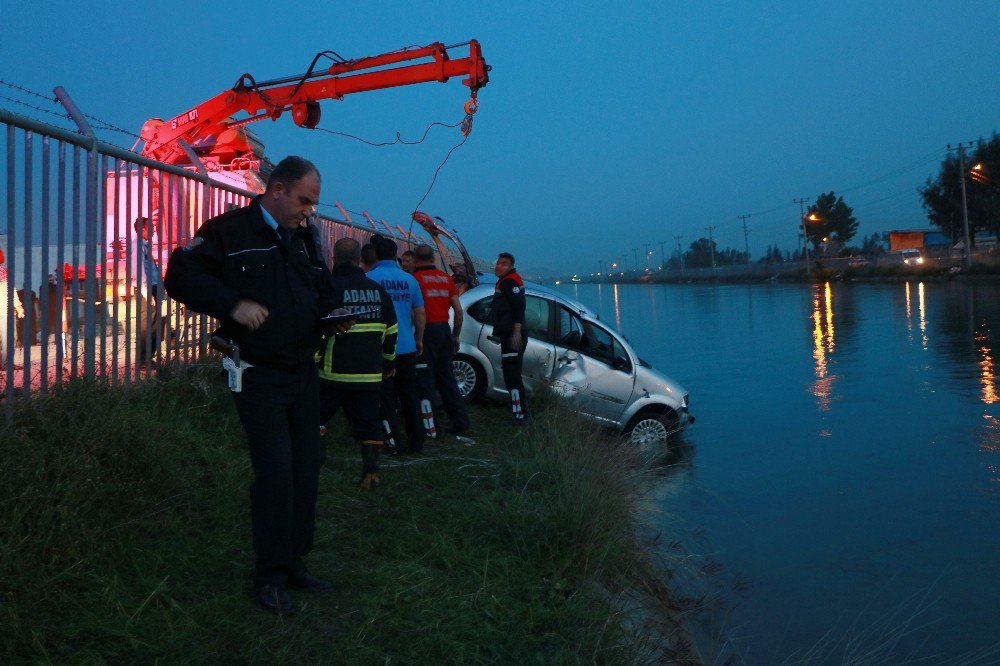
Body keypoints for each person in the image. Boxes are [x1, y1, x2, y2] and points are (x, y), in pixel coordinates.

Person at [164, 156, 345, 615]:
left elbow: (320, 288)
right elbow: (179, 275)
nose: (309, 210)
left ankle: (293, 563)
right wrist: (233, 304)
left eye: (314, 203)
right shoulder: (230, 231)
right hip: (258, 373)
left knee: (307, 467)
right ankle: (268, 576)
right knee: (276, 472)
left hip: (303, 372)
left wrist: (331, 315)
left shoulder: (304, 238)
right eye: (304, 200)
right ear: (277, 189)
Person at [318, 237, 397, 489]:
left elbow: (314, 330)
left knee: (315, 420)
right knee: (368, 425)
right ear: (359, 261)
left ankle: (313, 468)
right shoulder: (378, 291)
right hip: (369, 376)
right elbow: (391, 331)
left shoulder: (327, 289)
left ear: (334, 259)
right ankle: (370, 475)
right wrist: (388, 364)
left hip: (332, 375)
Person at [367, 236, 427, 453]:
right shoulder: (410, 280)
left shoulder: (370, 278)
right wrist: (418, 338)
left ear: (376, 254)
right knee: (409, 394)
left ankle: (392, 440)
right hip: (406, 346)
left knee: (385, 396)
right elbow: (419, 313)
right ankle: (417, 440)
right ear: (395, 255)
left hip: (380, 348)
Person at [412, 243, 470, 435]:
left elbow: (415, 313)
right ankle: (461, 423)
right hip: (444, 331)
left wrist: (417, 337)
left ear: (415, 260)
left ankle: (431, 427)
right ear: (433, 259)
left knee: (425, 380)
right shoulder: (446, 279)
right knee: (447, 379)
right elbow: (459, 311)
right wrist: (455, 336)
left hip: (425, 333)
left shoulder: (415, 279)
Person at [490, 252, 528, 423]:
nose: (499, 266)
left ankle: (520, 415)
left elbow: (519, 307)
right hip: (508, 333)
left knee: (512, 376)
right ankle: (518, 411)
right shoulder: (506, 280)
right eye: (498, 263)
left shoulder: (510, 281)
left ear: (511, 266)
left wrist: (516, 332)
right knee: (511, 374)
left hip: (512, 335)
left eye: (504, 264)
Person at [132, 217, 165, 365]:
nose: (154, 231)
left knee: (155, 323)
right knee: (147, 324)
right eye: (151, 227)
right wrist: (146, 292)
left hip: (153, 287)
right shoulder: (137, 245)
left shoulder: (144, 245)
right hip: (146, 289)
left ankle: (148, 357)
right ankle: (143, 359)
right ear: (143, 229)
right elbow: (138, 270)